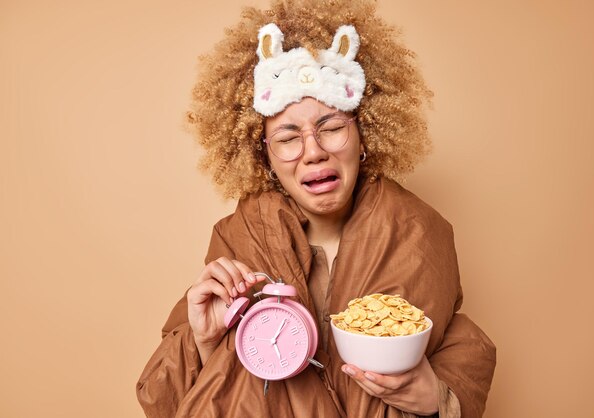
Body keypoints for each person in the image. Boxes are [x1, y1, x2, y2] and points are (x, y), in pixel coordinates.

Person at [137, 1, 496, 417]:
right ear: (263, 155)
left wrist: (440, 399)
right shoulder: (237, 238)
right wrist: (203, 340)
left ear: (365, 134)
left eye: (331, 127)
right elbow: (158, 398)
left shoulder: (420, 231)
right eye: (289, 136)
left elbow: (462, 344)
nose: (313, 152)